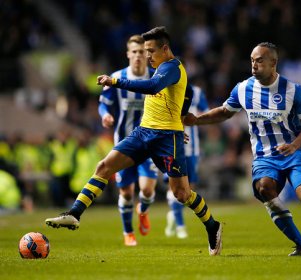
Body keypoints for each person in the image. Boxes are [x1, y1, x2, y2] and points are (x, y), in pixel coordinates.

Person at [45, 26, 222, 256]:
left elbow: (151, 87)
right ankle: (74, 214)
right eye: (144, 51)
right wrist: (180, 116)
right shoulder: (161, 68)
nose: (147, 55)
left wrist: (115, 81)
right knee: (104, 166)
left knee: (182, 194)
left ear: (165, 49)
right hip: (143, 132)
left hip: (167, 138)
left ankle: (212, 225)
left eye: (151, 50)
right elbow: (185, 93)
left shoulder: (172, 67)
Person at [183, 42, 301, 256]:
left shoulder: (292, 90)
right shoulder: (243, 89)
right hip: (264, 157)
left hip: (295, 152)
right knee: (264, 189)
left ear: (273, 63)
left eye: (260, 60)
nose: (254, 65)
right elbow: (225, 112)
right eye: (252, 60)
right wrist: (195, 120)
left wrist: (294, 145)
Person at [97, 35, 158, 247]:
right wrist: (105, 115)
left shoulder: (155, 77)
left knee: (148, 190)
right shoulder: (117, 77)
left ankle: (143, 210)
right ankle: (128, 232)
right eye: (134, 52)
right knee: (126, 192)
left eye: (142, 52)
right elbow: (103, 103)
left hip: (150, 144)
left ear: (147, 54)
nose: (138, 56)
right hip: (124, 144)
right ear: (128, 54)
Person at [164, 83, 209, 239]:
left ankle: (174, 215)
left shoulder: (196, 91)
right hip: (171, 146)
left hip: (192, 148)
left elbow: (205, 112)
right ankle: (181, 225)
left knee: (189, 190)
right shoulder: (163, 89)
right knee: (174, 186)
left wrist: (195, 116)